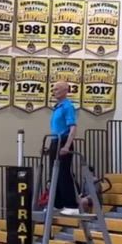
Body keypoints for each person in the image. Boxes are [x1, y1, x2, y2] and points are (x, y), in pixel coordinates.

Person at [47, 80, 81, 215]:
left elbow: (73, 127)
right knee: (53, 174)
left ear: (65, 91)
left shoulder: (68, 106)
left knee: (63, 173)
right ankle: (57, 204)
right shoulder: (57, 107)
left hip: (64, 141)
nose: (54, 91)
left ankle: (71, 205)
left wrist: (67, 146)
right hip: (55, 141)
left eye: (56, 89)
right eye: (53, 89)